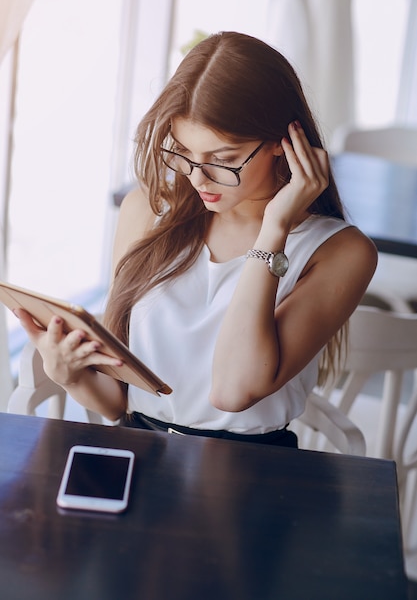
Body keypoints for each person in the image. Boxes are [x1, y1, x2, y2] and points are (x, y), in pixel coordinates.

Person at [17, 31, 377, 447]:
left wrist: (274, 227)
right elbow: (118, 403)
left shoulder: (341, 251)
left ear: (284, 143)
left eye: (222, 160)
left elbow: (233, 389)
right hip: (143, 453)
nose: (198, 178)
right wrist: (70, 373)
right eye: (184, 153)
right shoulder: (146, 212)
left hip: (254, 471)